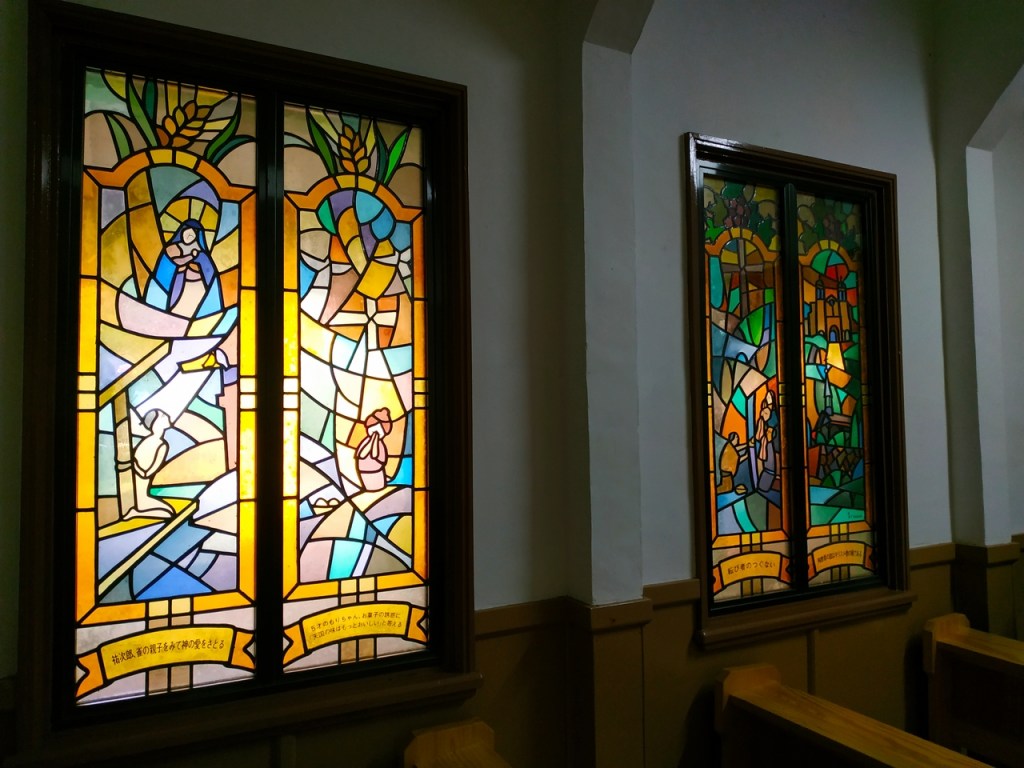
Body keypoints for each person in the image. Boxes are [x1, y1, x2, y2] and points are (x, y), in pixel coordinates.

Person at [145, 219, 223, 319]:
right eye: (186, 234)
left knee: (194, 308)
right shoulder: (174, 248)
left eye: (191, 235)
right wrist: (190, 257)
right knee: (177, 308)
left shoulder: (201, 254)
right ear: (181, 233)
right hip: (180, 284)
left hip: (198, 287)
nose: (188, 237)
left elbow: (210, 275)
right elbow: (174, 263)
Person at [355, 408, 392, 491]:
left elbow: (375, 455)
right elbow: (362, 455)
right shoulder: (366, 441)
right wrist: (371, 441)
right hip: (363, 471)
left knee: (378, 488)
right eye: (372, 428)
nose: (375, 432)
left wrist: (375, 440)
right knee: (369, 487)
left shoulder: (380, 444)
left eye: (379, 430)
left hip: (376, 472)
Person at [753, 390, 780, 492]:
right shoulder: (765, 410)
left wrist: (770, 433)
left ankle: (765, 485)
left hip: (772, 441)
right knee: (767, 462)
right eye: (767, 396)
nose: (768, 398)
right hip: (766, 441)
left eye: (770, 397)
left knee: (771, 462)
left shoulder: (774, 413)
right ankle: (763, 485)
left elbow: (775, 426)